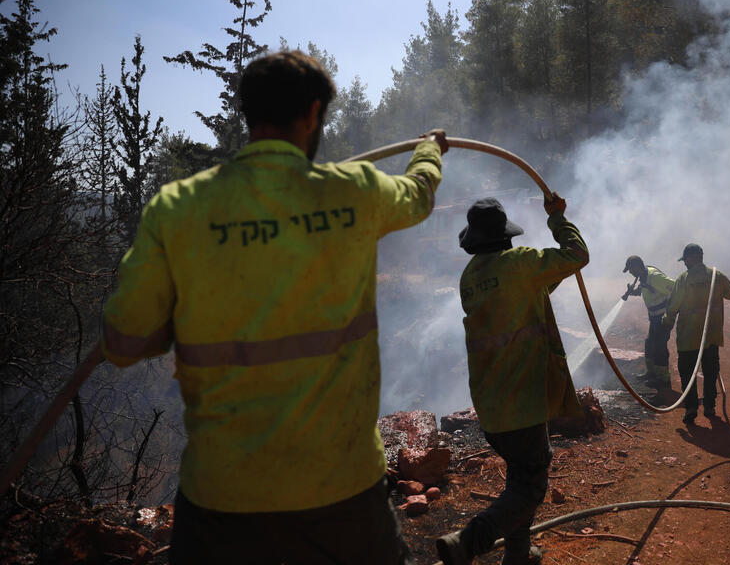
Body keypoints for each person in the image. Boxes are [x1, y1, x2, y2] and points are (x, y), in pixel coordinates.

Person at [101, 50, 447, 564]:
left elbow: (124, 342)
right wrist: (428, 150)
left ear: (249, 113)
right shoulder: (354, 192)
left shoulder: (177, 209)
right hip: (343, 492)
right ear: (312, 114)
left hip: (223, 500)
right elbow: (418, 195)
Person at [437, 194, 589, 565]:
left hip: (491, 407)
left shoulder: (470, 276)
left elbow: (522, 293)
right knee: (532, 487)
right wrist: (557, 218)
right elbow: (577, 253)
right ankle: (469, 541)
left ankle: (518, 555)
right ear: (505, 236)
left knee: (518, 480)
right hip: (522, 405)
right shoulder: (519, 264)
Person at [661, 243, 730, 424]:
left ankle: (691, 408)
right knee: (711, 372)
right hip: (710, 337)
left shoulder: (684, 279)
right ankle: (709, 406)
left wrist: (666, 323)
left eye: (685, 260)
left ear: (691, 258)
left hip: (688, 338)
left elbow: (672, 307)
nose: (684, 264)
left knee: (688, 373)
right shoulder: (716, 277)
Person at [621, 255, 675, 397]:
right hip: (654, 317)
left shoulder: (654, 276)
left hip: (663, 317)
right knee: (650, 343)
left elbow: (674, 288)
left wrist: (670, 312)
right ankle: (651, 373)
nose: (631, 273)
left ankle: (663, 379)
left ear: (637, 267)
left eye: (631, 270)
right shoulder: (643, 276)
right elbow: (644, 290)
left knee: (659, 346)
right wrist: (632, 292)